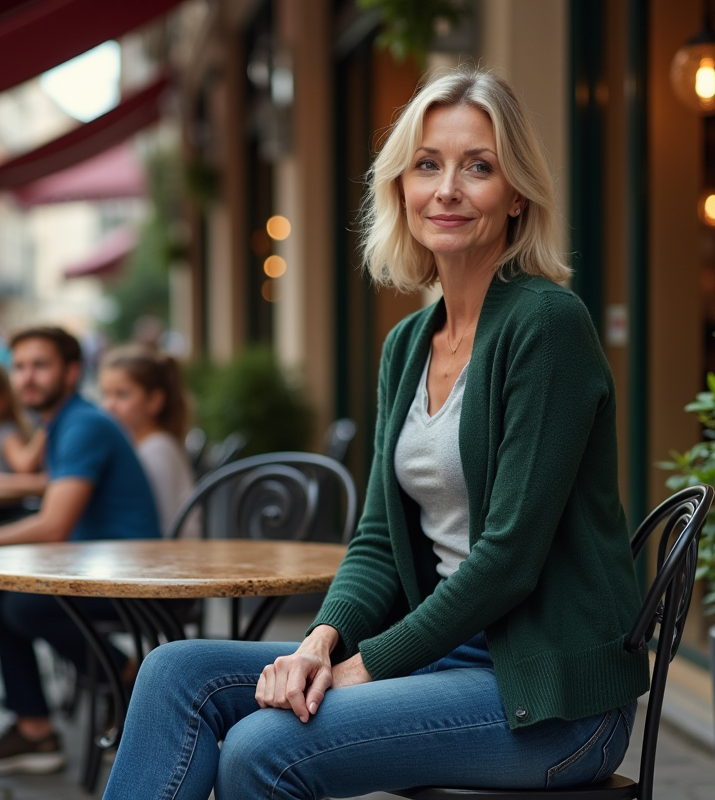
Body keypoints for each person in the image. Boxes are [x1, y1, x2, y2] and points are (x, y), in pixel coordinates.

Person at [101, 66, 649, 800]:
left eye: (478, 167)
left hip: (549, 700)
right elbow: (378, 546)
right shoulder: (408, 345)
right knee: (174, 674)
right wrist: (319, 642)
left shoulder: (547, 325)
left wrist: (365, 666)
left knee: (264, 747)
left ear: (516, 194)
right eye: (428, 164)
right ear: (401, 186)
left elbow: (511, 557)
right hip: (443, 661)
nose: (447, 188)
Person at [0, 325, 161, 775]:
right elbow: (52, 497)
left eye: (40, 366)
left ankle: (122, 676)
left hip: (134, 571)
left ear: (71, 372)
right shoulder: (64, 421)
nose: (27, 377)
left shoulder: (83, 423)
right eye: (20, 367)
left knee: (19, 604)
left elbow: (52, 525)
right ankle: (36, 728)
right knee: (4, 594)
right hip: (97, 561)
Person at [99, 344, 199, 538]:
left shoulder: (156, 450)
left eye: (122, 394)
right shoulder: (142, 445)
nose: (109, 406)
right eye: (105, 394)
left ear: (154, 401)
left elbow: (162, 525)